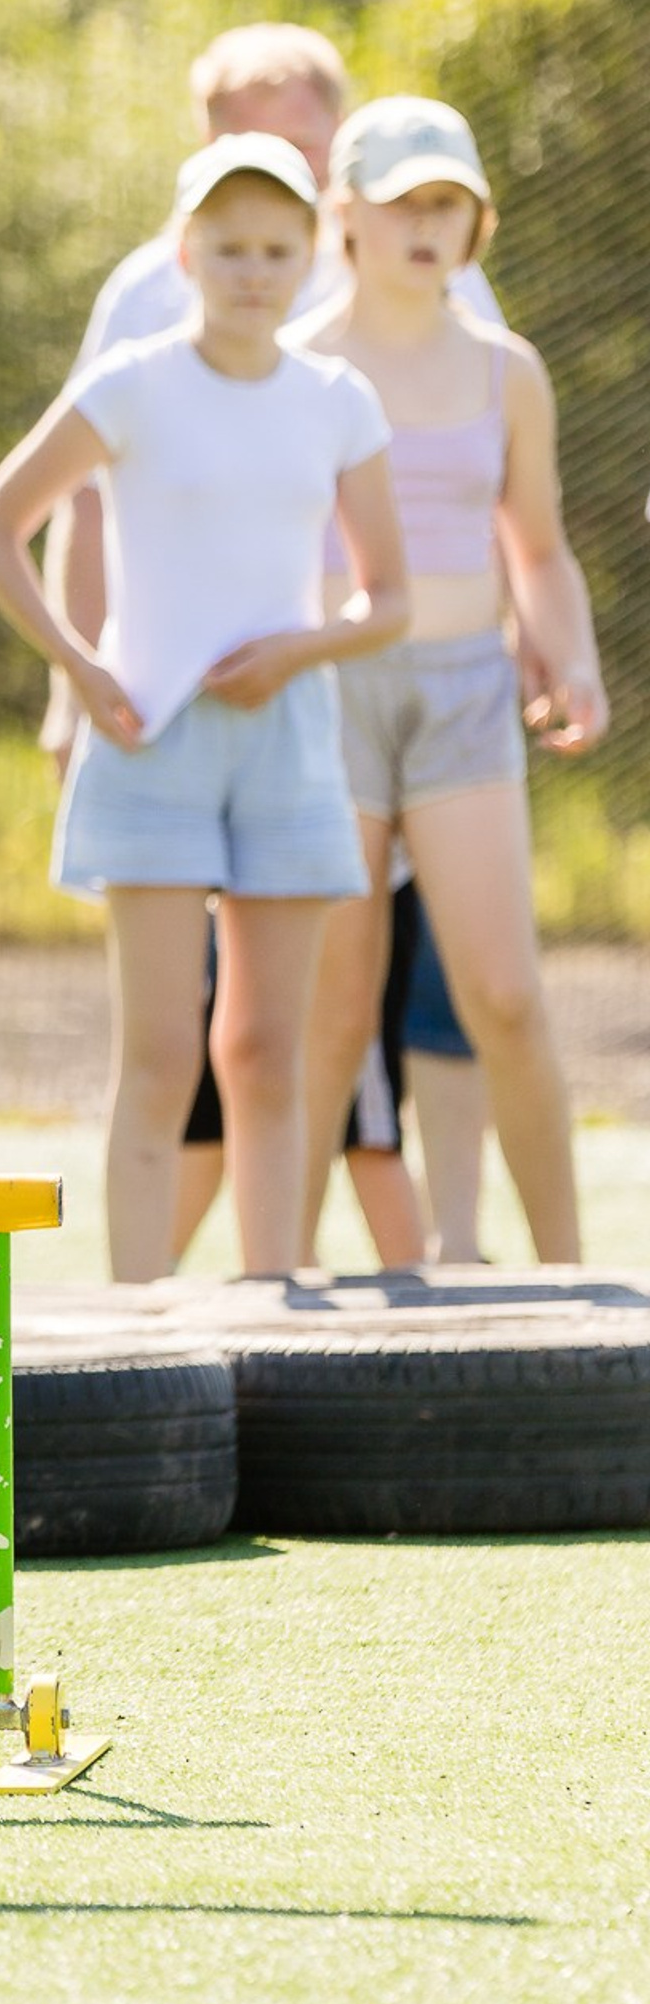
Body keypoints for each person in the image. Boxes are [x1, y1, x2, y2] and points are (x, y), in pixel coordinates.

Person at [43, 24, 500, 1268]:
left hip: (362, 720)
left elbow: (466, 484)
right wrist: (71, 678)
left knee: (327, 1039)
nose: (270, 169)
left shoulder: (406, 286)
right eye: (243, 135)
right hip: (161, 724)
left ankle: (360, 1279)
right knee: (180, 1043)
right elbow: (69, 500)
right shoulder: (149, 306)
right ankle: (151, 1305)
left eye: (298, 137)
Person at [0, 133, 408, 1280]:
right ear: (185, 250)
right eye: (228, 246)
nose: (251, 269)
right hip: (147, 741)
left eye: (274, 248)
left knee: (265, 1051)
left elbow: (389, 598)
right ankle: (138, 1325)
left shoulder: (338, 400)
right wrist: (81, 664)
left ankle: (268, 1300)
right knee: (160, 1055)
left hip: (288, 745)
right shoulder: (131, 381)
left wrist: (297, 650)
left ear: (312, 256)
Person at [289, 97, 608, 1265]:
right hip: (328, 702)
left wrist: (565, 654)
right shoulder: (297, 362)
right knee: (331, 1014)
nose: (426, 226)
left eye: (447, 204)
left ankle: (578, 1290)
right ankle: (281, 1284)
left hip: (468, 697)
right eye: (402, 202)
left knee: (506, 996)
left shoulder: (508, 372)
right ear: (348, 217)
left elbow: (536, 549)